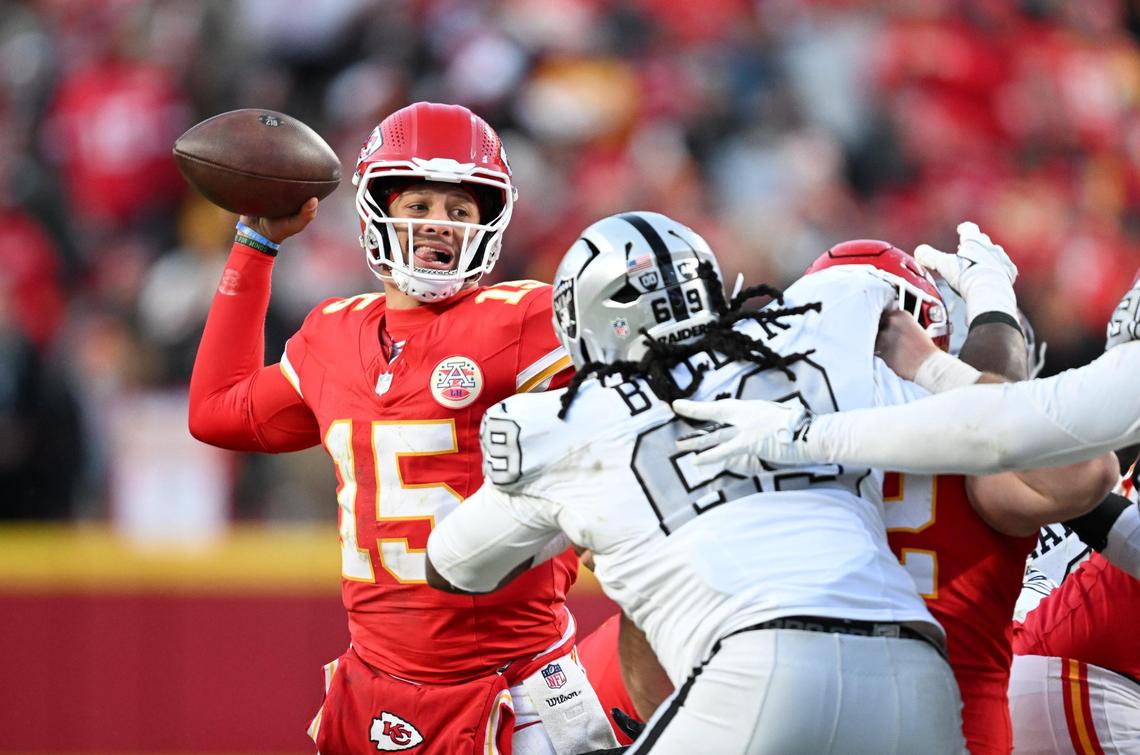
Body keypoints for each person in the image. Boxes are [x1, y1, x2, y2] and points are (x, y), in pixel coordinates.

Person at [425, 211, 965, 753]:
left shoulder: (560, 423)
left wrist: (574, 523)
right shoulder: (821, 326)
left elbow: (452, 567)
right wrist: (996, 311)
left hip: (759, 668)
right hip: (916, 668)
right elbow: (986, 406)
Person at [575, 229, 1116, 754]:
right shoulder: (973, 454)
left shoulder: (738, 440)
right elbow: (1087, 470)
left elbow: (654, 666)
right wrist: (951, 356)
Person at [187, 102, 617, 755]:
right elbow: (218, 409)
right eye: (417, 204)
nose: (437, 224)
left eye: (459, 209)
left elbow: (647, 387)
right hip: (376, 684)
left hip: (516, 687)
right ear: (377, 210)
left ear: (490, 222)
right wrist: (255, 243)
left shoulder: (525, 317)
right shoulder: (332, 332)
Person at [673, 254, 1140, 583]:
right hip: (957, 700)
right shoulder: (972, 444)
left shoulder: (736, 421)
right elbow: (1059, 454)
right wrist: (969, 334)